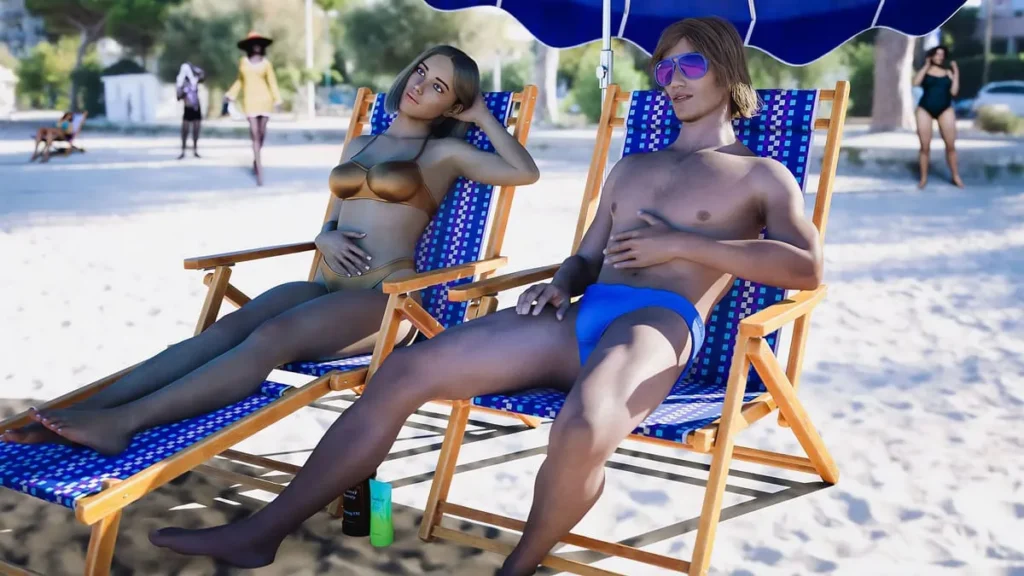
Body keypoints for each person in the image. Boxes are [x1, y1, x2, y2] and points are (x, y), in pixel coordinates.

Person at [144, 17, 824, 575]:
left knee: (582, 427)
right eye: (664, 68)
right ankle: (262, 532)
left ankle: (517, 567)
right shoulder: (632, 166)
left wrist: (684, 247)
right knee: (404, 369)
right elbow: (586, 256)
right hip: (576, 317)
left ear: (728, 72)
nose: (672, 80)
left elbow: (805, 267)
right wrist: (558, 285)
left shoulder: (759, 175)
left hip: (657, 326)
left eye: (690, 66)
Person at [2, 45, 540, 459]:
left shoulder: (444, 152)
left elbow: (524, 172)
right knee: (222, 333)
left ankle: (124, 422)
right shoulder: (361, 144)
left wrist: (482, 116)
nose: (420, 86)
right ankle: (87, 410)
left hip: (386, 298)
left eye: (439, 86)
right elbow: (335, 216)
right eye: (421, 72)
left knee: (271, 337)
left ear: (453, 105)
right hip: (326, 283)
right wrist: (325, 236)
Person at [224, 31, 282, 186]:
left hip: (265, 102)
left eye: (259, 44)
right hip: (250, 102)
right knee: (254, 135)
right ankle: (259, 172)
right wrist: (231, 94)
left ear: (262, 47)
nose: (256, 47)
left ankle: (256, 160)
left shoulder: (266, 64)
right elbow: (240, 81)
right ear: (248, 47)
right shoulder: (243, 62)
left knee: (261, 135)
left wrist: (277, 100)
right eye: (253, 44)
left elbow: (272, 82)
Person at [913, 45, 963, 189]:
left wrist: (956, 73)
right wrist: (926, 65)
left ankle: (955, 176)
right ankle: (923, 179)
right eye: (937, 54)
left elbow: (954, 92)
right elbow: (915, 83)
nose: (939, 57)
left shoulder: (948, 72)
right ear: (932, 55)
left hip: (945, 108)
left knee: (950, 146)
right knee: (924, 146)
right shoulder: (926, 71)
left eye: (942, 54)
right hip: (925, 109)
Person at [176, 62, 206, 159]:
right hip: (187, 108)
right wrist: (183, 90)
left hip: (196, 108)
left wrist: (194, 68)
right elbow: (178, 97)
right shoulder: (181, 82)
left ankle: (195, 150)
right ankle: (183, 151)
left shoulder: (195, 80)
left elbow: (202, 76)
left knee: (196, 130)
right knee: (185, 131)